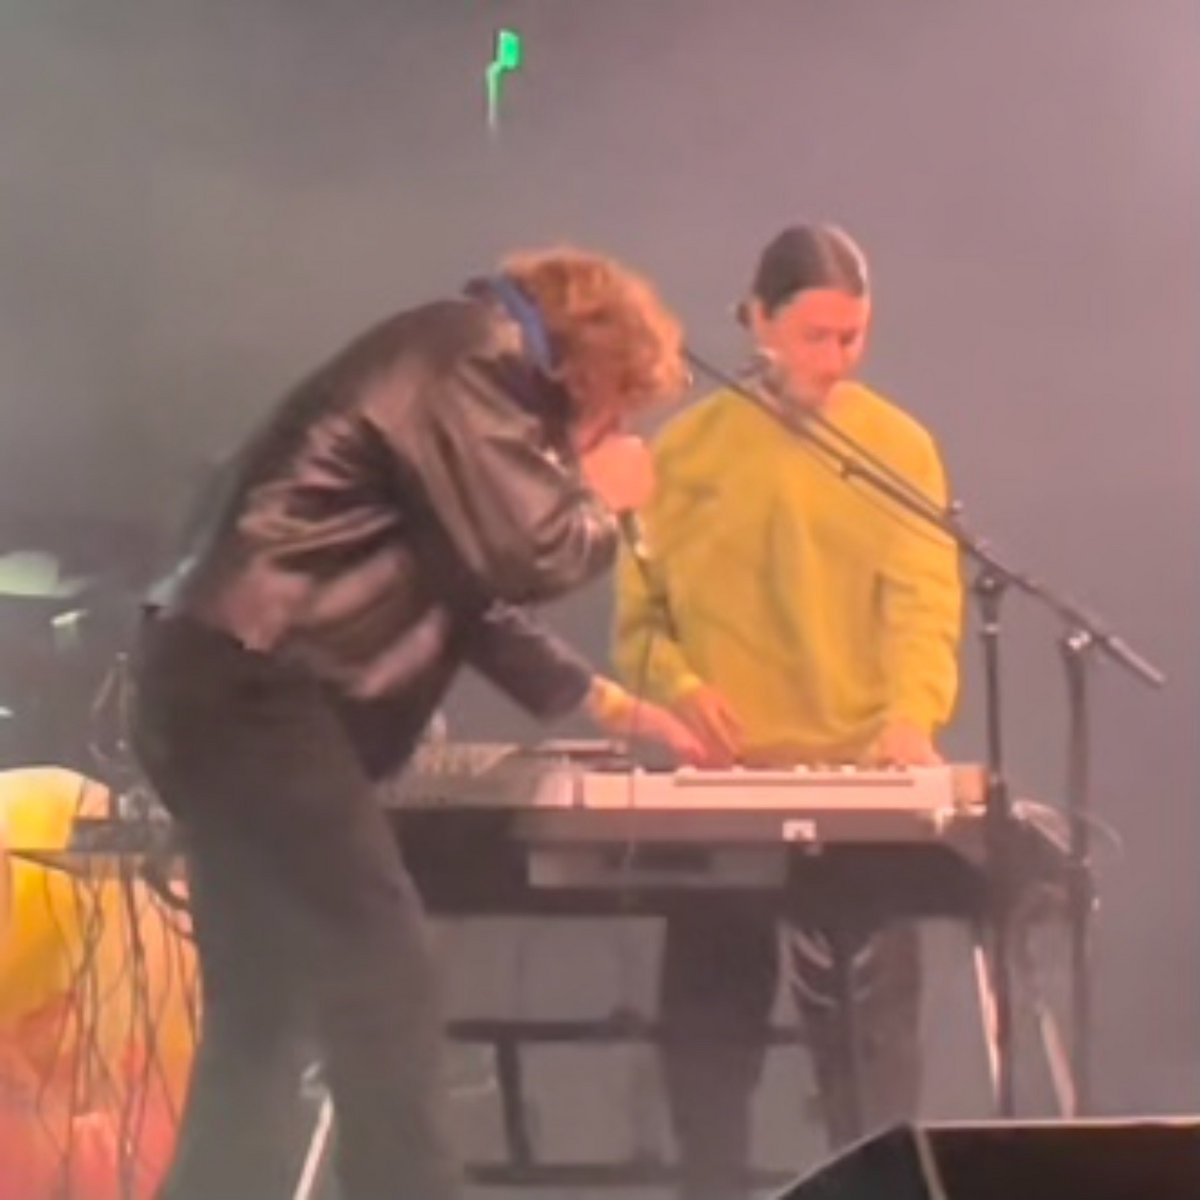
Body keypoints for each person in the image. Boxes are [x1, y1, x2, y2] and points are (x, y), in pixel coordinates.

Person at [130, 246, 708, 1200]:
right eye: (618, 408)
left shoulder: (459, 367)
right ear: (592, 366)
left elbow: (469, 591)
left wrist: (610, 703)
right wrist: (600, 496)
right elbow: (528, 553)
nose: (611, 431)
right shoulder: (471, 358)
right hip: (257, 685)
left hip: (215, 675)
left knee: (263, 1009)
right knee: (382, 969)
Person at [612, 223, 964, 1199]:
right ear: (759, 321)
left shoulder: (896, 448)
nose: (836, 358)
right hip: (721, 781)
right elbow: (640, 625)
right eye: (815, 336)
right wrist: (681, 692)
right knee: (706, 1040)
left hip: (858, 779)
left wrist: (911, 717)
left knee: (869, 1059)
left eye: (853, 336)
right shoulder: (689, 450)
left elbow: (926, 605)